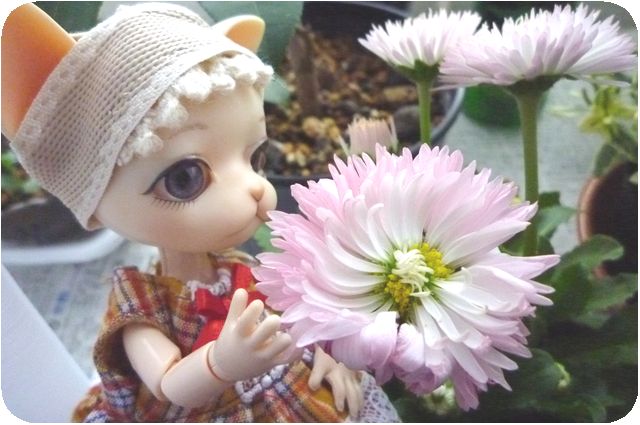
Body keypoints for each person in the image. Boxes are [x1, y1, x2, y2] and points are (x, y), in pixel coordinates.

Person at [2, 3, 400, 422]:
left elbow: (292, 322)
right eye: (185, 178)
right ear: (92, 202)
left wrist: (327, 356)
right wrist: (221, 364)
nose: (253, 188)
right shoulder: (142, 306)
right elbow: (168, 384)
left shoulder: (237, 268)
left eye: (256, 158)